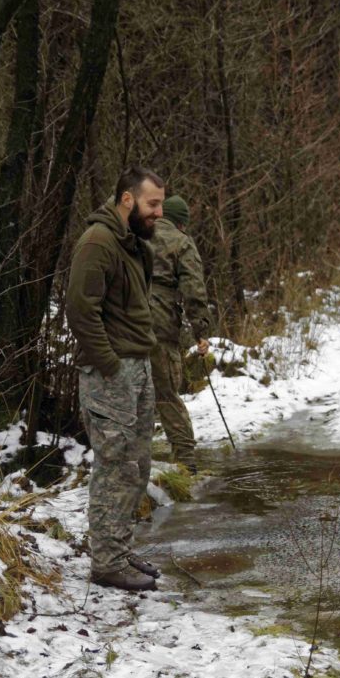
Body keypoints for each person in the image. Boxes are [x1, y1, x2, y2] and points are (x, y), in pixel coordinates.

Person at [64, 165, 165, 592]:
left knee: (136, 465)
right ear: (127, 199)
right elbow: (79, 310)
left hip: (135, 367)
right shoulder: (98, 242)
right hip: (112, 373)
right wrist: (109, 364)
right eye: (152, 204)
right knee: (114, 466)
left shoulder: (131, 243)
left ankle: (119, 550)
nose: (159, 212)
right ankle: (106, 563)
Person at [148, 195, 211, 474]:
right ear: (181, 223)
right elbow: (193, 289)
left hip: (122, 323)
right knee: (166, 394)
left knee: (129, 394)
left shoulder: (132, 234)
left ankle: (129, 463)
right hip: (159, 324)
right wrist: (201, 331)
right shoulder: (181, 242)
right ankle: (186, 464)